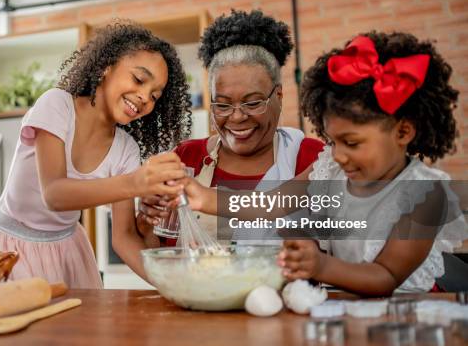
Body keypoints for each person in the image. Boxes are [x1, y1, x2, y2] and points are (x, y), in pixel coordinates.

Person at [185, 32, 466, 295]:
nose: (339, 154)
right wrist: (206, 198)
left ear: (403, 132)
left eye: (352, 143)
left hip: (406, 314)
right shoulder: (330, 167)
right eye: (333, 141)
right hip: (348, 305)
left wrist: (320, 265)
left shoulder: (424, 194)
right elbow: (269, 205)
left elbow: (386, 276)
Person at [0, 21, 192, 288]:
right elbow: (54, 194)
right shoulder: (57, 105)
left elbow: (123, 238)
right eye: (138, 79)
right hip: (9, 248)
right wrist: (137, 182)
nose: (145, 96)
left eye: (155, 96)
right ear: (105, 68)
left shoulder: (126, 150)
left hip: (67, 250)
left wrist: (176, 286)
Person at [138, 10, 324, 243]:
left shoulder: (308, 158)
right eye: (223, 105)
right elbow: (162, 252)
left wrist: (207, 198)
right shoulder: (186, 158)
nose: (237, 117)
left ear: (278, 96)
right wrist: (147, 222)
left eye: (253, 102)